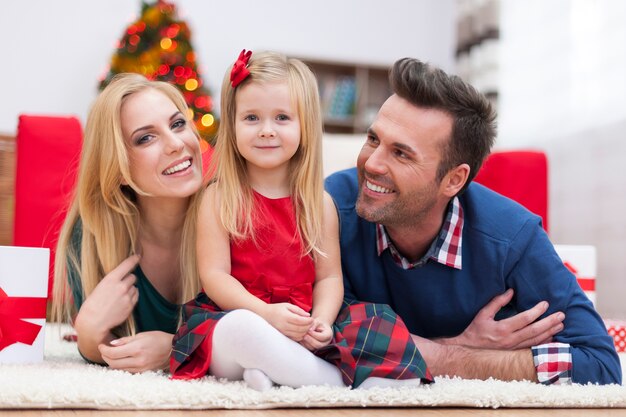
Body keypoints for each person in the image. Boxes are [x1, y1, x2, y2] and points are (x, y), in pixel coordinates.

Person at [325, 57, 622, 385]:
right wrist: (457, 349)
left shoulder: (513, 237)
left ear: (453, 180)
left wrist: (446, 358)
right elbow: (319, 336)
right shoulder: (331, 208)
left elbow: (600, 365)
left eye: (401, 153)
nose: (372, 164)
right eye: (373, 139)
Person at [170, 50, 431, 391]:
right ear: (231, 124)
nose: (266, 131)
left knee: (383, 325)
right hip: (237, 314)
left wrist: (320, 322)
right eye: (251, 118)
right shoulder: (218, 199)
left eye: (281, 118)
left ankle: (278, 372)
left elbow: (328, 278)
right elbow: (216, 278)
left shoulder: (318, 204)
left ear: (305, 126)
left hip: (302, 321)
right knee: (243, 332)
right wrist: (265, 314)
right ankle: (326, 381)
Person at [51, 73, 206, 373]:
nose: (176, 144)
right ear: (118, 167)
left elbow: (262, 335)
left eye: (177, 124)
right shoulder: (91, 234)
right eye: (145, 138)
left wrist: (179, 347)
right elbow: (102, 348)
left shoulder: (232, 218)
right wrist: (89, 334)